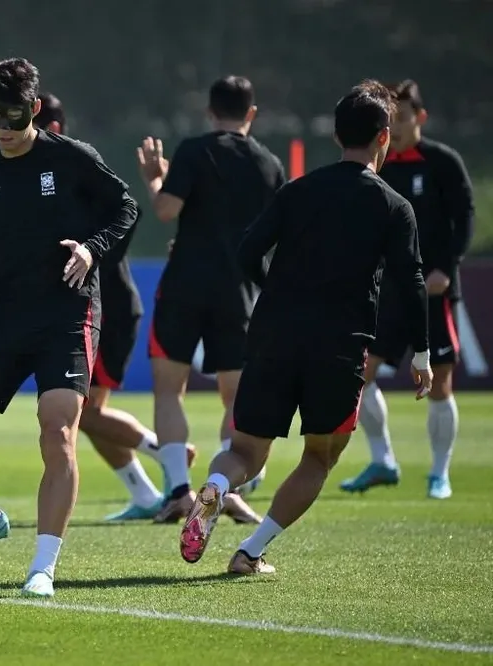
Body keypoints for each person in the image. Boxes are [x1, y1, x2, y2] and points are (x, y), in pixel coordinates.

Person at [179, 80, 432, 575]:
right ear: (384, 137)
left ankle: (216, 487)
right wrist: (421, 354)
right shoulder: (392, 205)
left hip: (273, 333)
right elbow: (413, 281)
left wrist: (274, 290)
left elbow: (248, 252)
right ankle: (251, 551)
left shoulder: (298, 190)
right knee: (320, 457)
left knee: (245, 450)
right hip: (338, 347)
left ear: (338, 137)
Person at [0, 58, 138, 598]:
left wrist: (91, 248)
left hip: (69, 313)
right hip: (8, 315)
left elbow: (125, 207)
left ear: (35, 109)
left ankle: (43, 566)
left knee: (57, 428)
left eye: (15, 116)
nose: (5, 129)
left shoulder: (72, 158)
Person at [134, 76, 285, 524]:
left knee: (168, 388)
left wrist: (154, 179)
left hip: (185, 284)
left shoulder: (195, 150)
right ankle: (226, 488)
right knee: (234, 396)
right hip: (239, 290)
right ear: (251, 114)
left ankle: (180, 491)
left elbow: (165, 210)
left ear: (210, 111)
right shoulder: (270, 164)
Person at [33, 92, 191, 521]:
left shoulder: (76, 169)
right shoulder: (37, 176)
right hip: (84, 306)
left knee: (79, 414)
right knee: (82, 414)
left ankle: (167, 452)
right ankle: (143, 494)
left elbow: (130, 211)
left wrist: (90, 248)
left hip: (109, 307)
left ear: (53, 128)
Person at [341, 80, 474, 499]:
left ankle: (440, 474)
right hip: (386, 293)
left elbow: (463, 218)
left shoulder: (442, 162)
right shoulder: (378, 167)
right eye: (390, 119)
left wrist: (446, 269)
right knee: (359, 375)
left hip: (431, 289)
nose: (395, 126)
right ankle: (383, 461)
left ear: (420, 117)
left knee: (440, 385)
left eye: (402, 117)